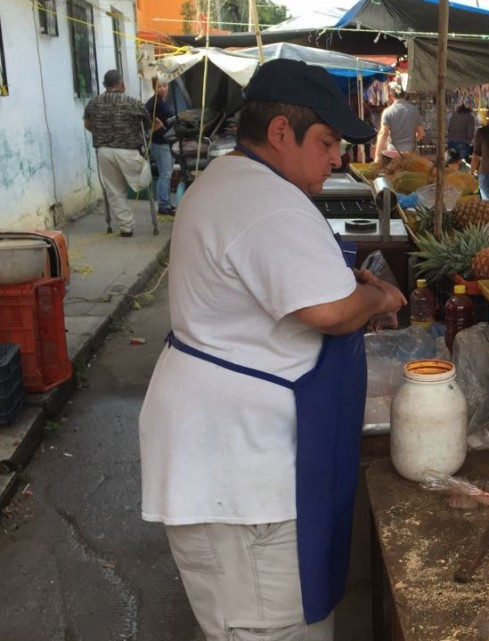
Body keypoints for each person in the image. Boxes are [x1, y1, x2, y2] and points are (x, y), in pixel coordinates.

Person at [138, 59, 406, 641]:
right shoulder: (264, 199)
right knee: (270, 627)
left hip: (238, 461)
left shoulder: (233, 182)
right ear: (281, 132)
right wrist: (381, 298)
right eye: (328, 142)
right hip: (240, 476)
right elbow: (330, 312)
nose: (337, 159)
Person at [84, 69, 155, 237]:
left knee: (114, 190)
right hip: (128, 151)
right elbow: (147, 124)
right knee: (145, 173)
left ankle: (126, 226)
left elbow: (87, 125)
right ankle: (139, 186)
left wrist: (102, 132)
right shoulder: (132, 102)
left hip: (104, 151)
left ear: (104, 85)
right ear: (122, 85)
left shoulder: (93, 103)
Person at [145, 78, 177, 215]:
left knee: (167, 174)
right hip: (160, 143)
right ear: (154, 88)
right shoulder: (156, 103)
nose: (163, 89)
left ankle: (167, 203)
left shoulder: (161, 101)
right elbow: (171, 117)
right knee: (165, 174)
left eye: (164, 86)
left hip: (164, 141)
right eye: (159, 87)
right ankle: (164, 205)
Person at [373, 88, 424, 157]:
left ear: (391, 95)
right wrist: (412, 140)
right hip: (411, 153)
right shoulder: (414, 110)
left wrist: (377, 156)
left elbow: (383, 133)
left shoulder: (388, 112)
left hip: (393, 153)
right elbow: (421, 133)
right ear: (405, 95)